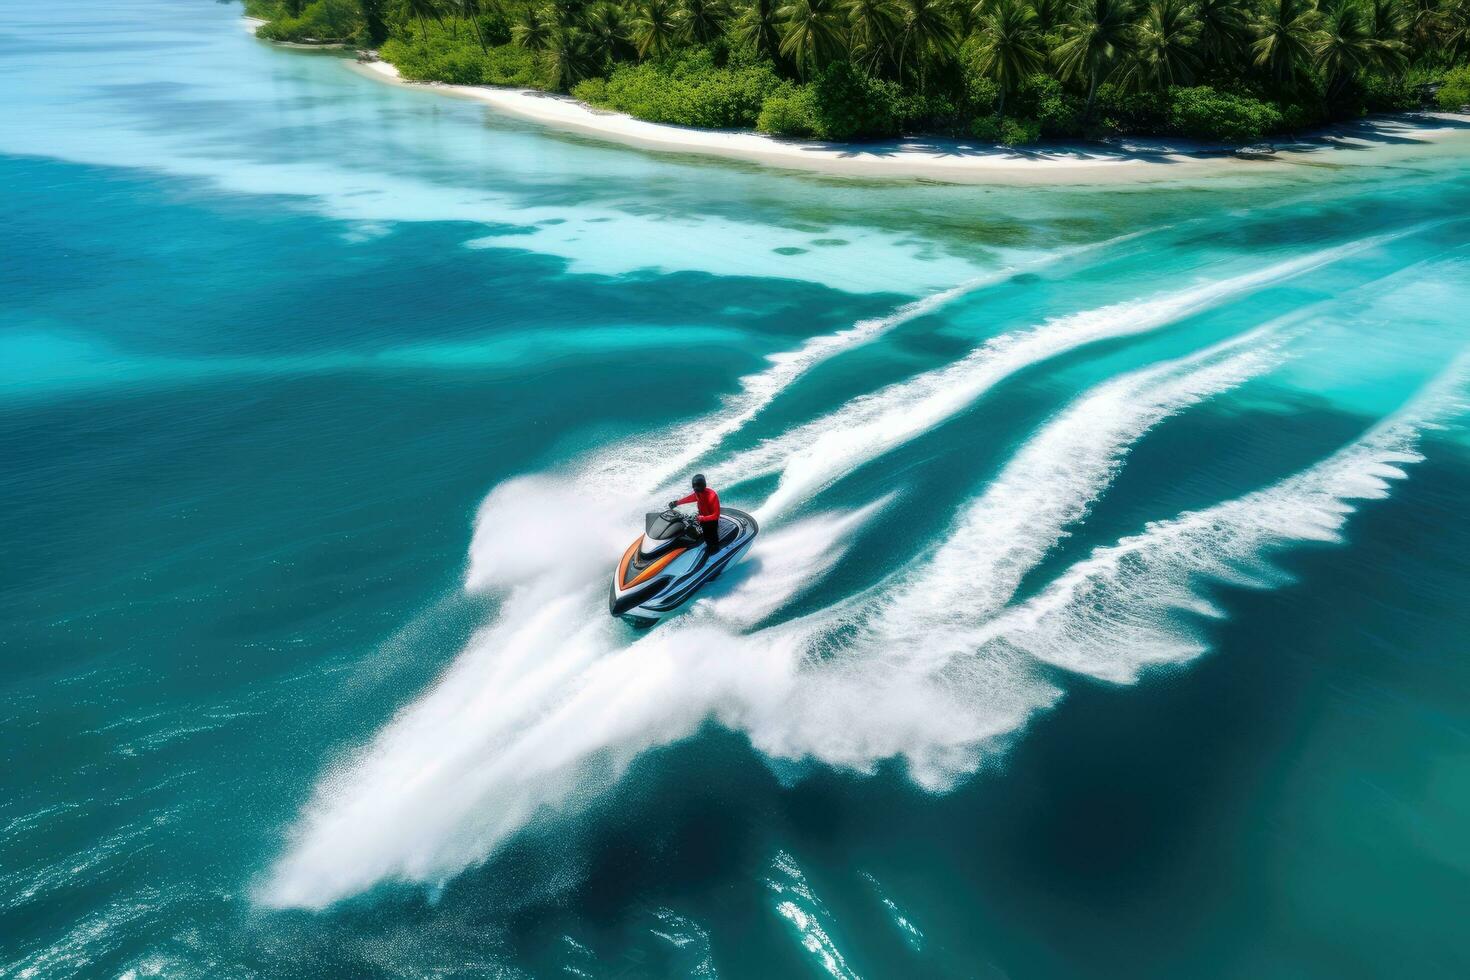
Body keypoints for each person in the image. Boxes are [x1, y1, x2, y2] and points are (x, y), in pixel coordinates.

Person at [669, 474, 721, 554]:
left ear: (703, 485)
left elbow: (716, 515)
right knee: (706, 536)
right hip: (702, 518)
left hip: (711, 521)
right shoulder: (698, 493)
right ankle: (709, 547)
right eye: (694, 487)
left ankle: (716, 551)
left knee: (712, 537)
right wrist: (676, 503)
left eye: (697, 486)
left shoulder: (712, 495)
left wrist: (702, 518)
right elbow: (689, 498)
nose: (695, 489)